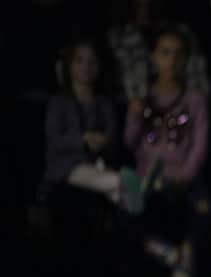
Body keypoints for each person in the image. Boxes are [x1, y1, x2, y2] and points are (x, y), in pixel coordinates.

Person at [124, 24, 211, 277]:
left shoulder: (194, 100)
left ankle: (187, 251)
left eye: (177, 54)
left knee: (204, 208)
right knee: (125, 209)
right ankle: (158, 249)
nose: (171, 60)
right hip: (147, 177)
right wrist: (136, 114)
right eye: (165, 53)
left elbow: (199, 145)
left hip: (183, 176)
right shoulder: (144, 98)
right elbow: (130, 142)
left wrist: (184, 176)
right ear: (153, 57)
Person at [42, 37, 145, 213]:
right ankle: (135, 184)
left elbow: (112, 139)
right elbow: (53, 141)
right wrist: (82, 140)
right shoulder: (59, 102)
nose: (86, 66)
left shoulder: (104, 104)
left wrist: (102, 142)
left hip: (99, 164)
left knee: (117, 194)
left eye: (92, 62)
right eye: (79, 60)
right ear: (69, 65)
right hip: (67, 168)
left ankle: (127, 196)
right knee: (110, 181)